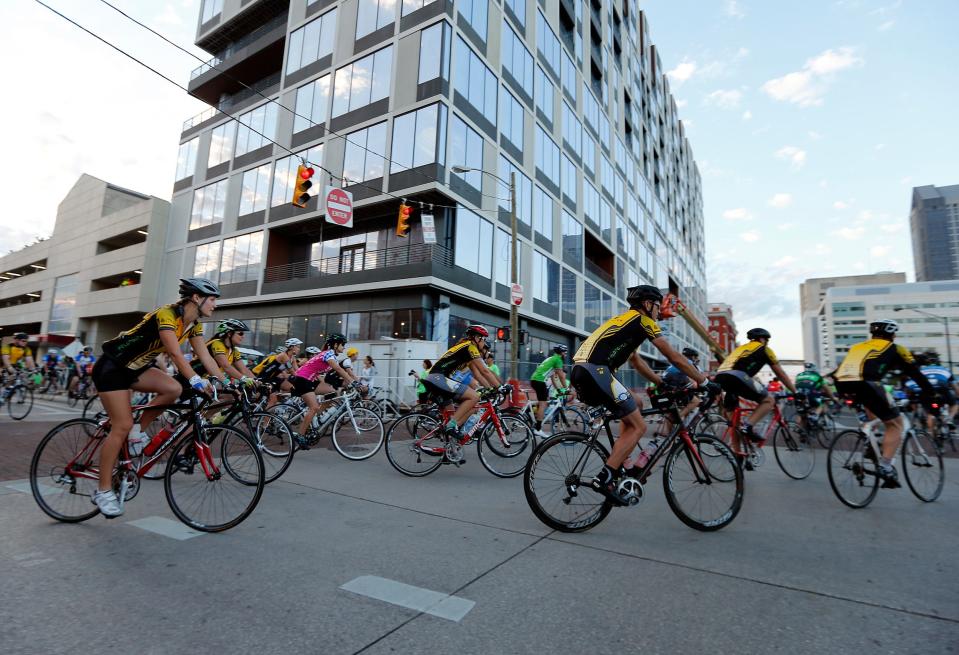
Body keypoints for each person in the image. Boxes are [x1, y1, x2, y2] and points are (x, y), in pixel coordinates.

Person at [89, 277, 221, 518]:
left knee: (173, 389)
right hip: (112, 367)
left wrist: (226, 381)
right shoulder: (167, 314)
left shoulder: (194, 324)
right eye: (212, 299)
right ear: (196, 298)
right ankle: (103, 490)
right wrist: (196, 380)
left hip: (135, 369)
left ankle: (138, 432)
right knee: (121, 425)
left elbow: (207, 357)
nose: (215, 304)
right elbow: (174, 352)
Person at [570, 285, 710, 505]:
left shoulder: (625, 321)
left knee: (635, 403)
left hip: (583, 372)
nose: (658, 313)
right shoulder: (644, 321)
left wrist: (661, 383)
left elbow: (636, 361)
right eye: (656, 307)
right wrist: (704, 380)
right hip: (596, 372)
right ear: (647, 304)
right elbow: (674, 356)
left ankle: (622, 464)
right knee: (639, 426)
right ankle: (604, 478)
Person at [833, 319, 936, 487]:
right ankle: (886, 466)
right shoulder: (896, 349)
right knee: (896, 424)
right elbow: (915, 373)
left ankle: (871, 445)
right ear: (893, 334)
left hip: (842, 383)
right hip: (867, 383)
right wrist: (931, 393)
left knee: (873, 416)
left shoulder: (857, 347)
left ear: (872, 334)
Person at [422, 325, 502, 463]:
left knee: (466, 410)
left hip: (438, 379)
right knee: (474, 397)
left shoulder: (467, 350)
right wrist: (499, 387)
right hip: (439, 378)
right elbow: (485, 371)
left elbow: (477, 373)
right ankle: (450, 426)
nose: (483, 344)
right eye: (483, 340)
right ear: (476, 338)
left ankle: (449, 452)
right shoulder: (469, 346)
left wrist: (490, 388)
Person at [714, 328, 797, 460]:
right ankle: (748, 426)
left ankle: (737, 454)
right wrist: (794, 391)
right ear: (763, 339)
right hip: (738, 376)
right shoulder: (764, 349)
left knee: (734, 422)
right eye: (767, 340)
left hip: (720, 377)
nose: (767, 343)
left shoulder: (740, 349)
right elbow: (780, 373)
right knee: (768, 400)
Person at [289, 334, 361, 442]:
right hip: (302, 379)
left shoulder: (331, 355)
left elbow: (341, 372)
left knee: (332, 392)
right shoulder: (328, 354)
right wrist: (354, 382)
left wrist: (350, 382)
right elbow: (338, 369)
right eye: (343, 345)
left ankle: (316, 418)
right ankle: (300, 435)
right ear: (335, 345)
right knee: (313, 407)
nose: (344, 347)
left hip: (310, 380)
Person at [903, 350, 958, 431]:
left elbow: (909, 385)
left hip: (925, 390)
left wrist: (909, 397)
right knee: (954, 404)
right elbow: (956, 388)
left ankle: (932, 438)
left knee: (930, 412)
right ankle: (949, 419)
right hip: (941, 387)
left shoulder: (921, 370)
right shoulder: (944, 369)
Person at [530, 345, 570, 437]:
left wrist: (559, 389)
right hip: (540, 381)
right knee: (543, 404)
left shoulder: (551, 359)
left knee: (545, 401)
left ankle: (531, 410)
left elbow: (552, 378)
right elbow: (561, 376)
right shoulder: (558, 360)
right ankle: (538, 429)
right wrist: (566, 388)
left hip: (535, 380)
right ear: (561, 352)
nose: (565, 355)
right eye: (565, 353)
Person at [657, 347, 703, 420]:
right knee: (695, 401)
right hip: (672, 389)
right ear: (693, 356)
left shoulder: (677, 362)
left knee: (672, 412)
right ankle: (676, 419)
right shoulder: (689, 363)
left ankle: (672, 429)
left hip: (663, 388)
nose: (696, 359)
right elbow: (694, 384)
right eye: (696, 357)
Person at [794, 362, 837, 429]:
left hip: (798, 394)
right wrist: (833, 397)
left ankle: (800, 431)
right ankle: (815, 416)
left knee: (802, 414)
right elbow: (826, 389)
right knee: (821, 404)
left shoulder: (799, 375)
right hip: (810, 393)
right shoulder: (817, 375)